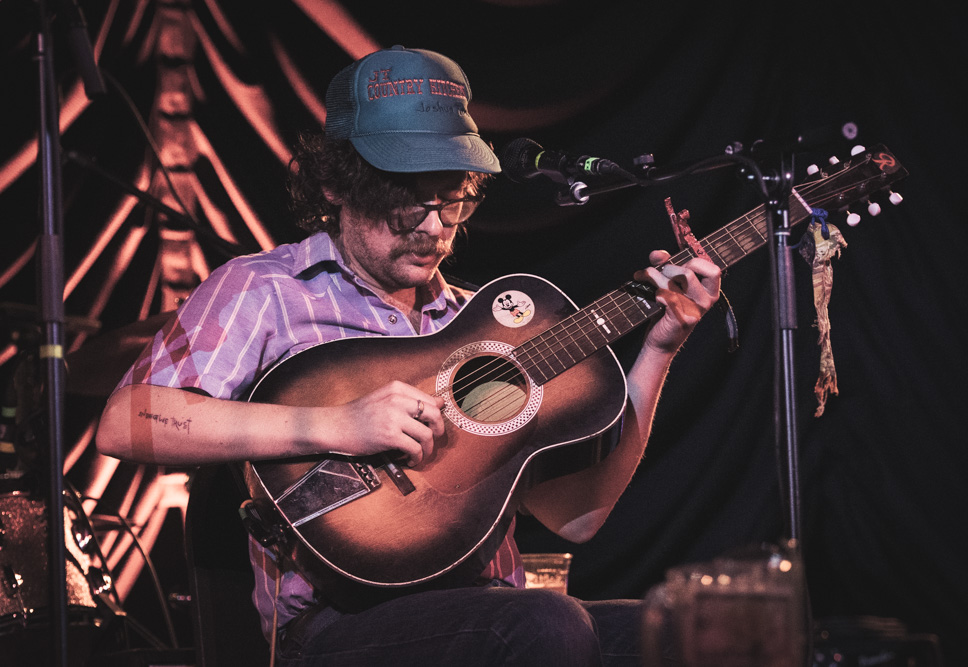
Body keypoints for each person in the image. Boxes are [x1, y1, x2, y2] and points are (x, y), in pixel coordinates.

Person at [96, 45, 722, 666]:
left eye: (452, 200)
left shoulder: (478, 324)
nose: (433, 226)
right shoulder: (266, 291)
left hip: (492, 613)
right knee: (545, 625)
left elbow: (579, 519)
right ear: (334, 186)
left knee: (700, 633)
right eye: (408, 201)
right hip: (336, 626)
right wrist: (335, 424)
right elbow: (126, 422)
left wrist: (660, 349)